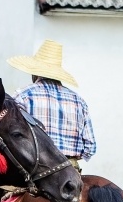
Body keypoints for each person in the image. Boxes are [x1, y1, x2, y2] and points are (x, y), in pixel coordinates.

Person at [6, 39, 97, 172]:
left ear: (35, 72)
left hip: (35, 170)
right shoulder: (79, 101)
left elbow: (10, 137)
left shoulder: (23, 96)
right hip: (70, 171)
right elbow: (90, 147)